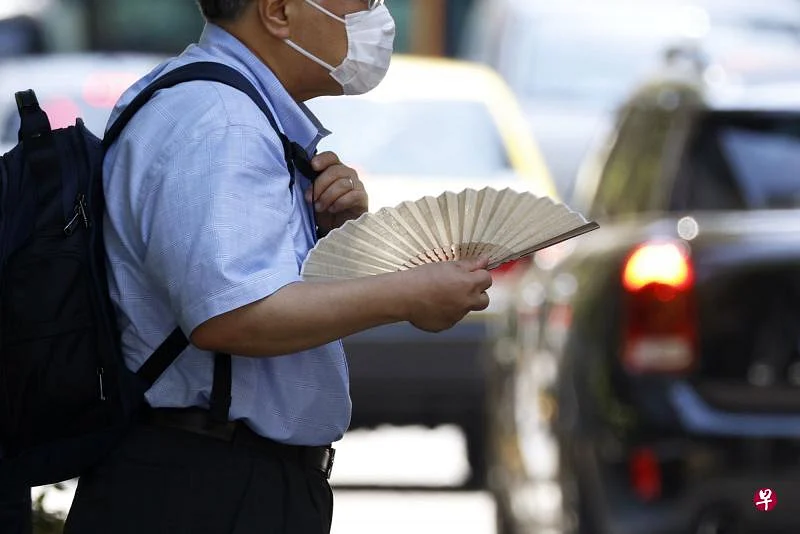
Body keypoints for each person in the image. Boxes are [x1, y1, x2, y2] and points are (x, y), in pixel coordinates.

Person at [63, 1, 492, 533]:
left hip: (213, 476)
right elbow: (232, 315)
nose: (376, 13)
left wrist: (331, 232)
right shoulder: (219, 119)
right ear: (279, 12)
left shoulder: (228, 107)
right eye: (359, 0)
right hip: (206, 487)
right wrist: (407, 296)